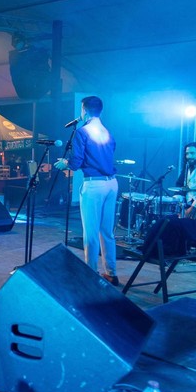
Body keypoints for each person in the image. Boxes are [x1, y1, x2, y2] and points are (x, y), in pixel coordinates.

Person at [54, 96, 119, 285]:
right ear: (100, 110)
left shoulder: (82, 132)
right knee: (107, 232)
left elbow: (75, 162)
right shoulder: (107, 132)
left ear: (83, 110)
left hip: (94, 184)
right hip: (111, 183)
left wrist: (65, 162)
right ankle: (111, 273)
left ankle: (90, 274)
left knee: (90, 232)